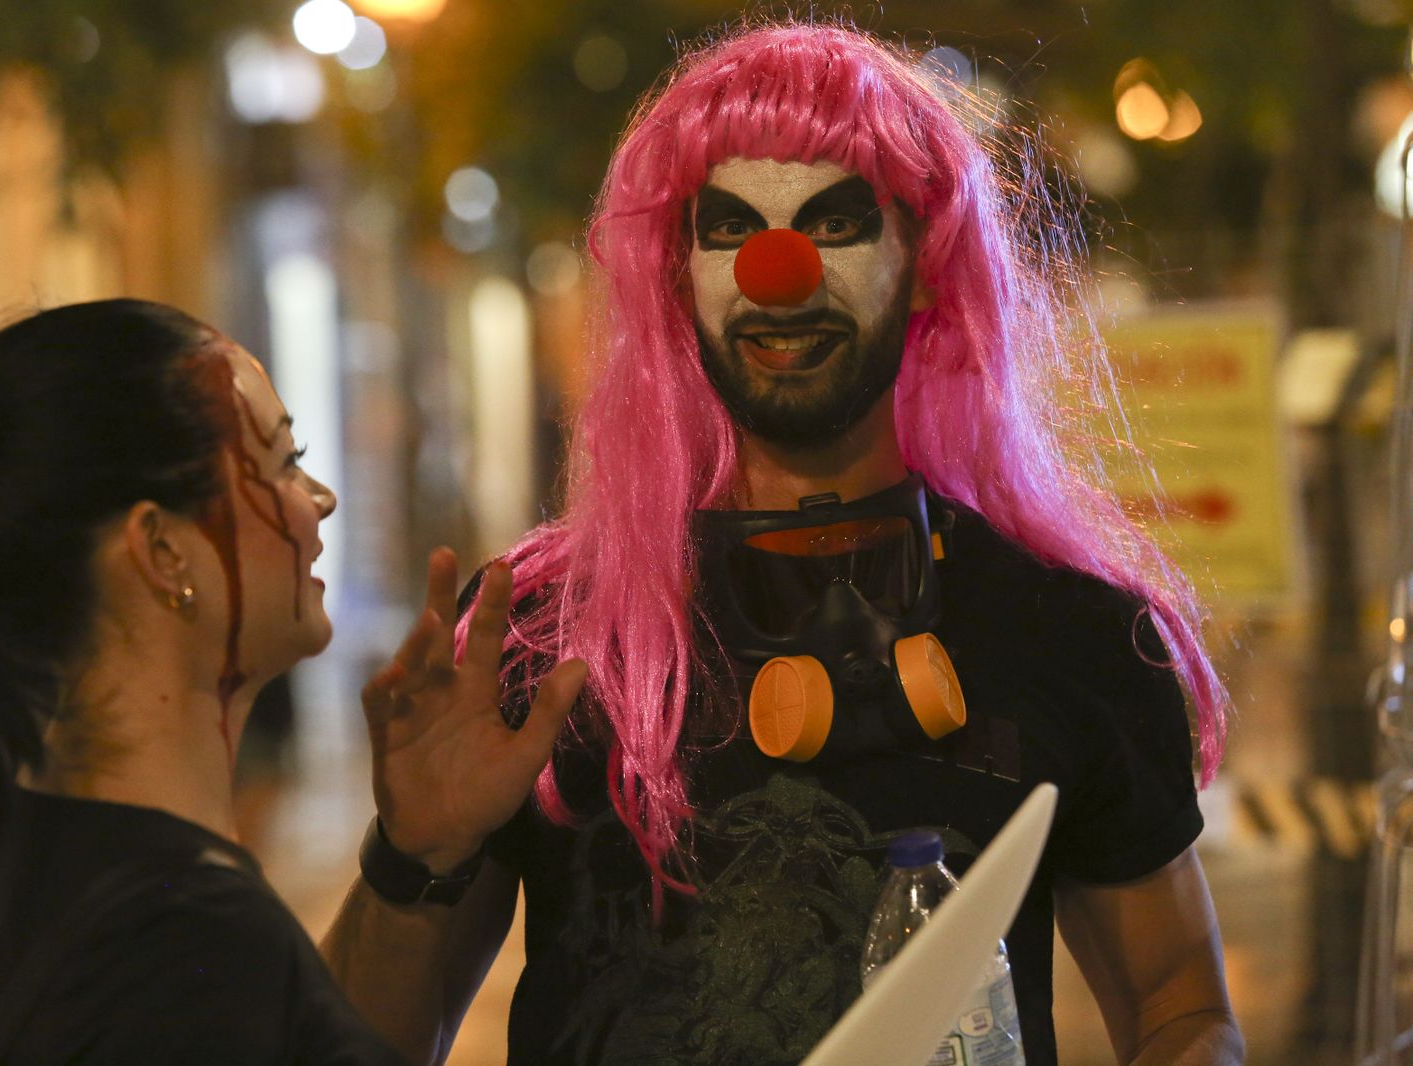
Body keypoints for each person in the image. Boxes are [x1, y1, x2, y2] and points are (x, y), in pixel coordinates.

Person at [324, 22, 1244, 1066]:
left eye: (838, 221)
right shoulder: (544, 639)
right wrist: (413, 859)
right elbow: (354, 1050)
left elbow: (1180, 1001)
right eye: (728, 229)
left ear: (927, 262)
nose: (777, 270)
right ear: (675, 280)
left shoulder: (1067, 631)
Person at [0, 299, 420, 1063]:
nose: (318, 501)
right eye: (283, 464)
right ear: (162, 550)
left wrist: (419, 860)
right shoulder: (189, 936)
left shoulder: (44, 850)